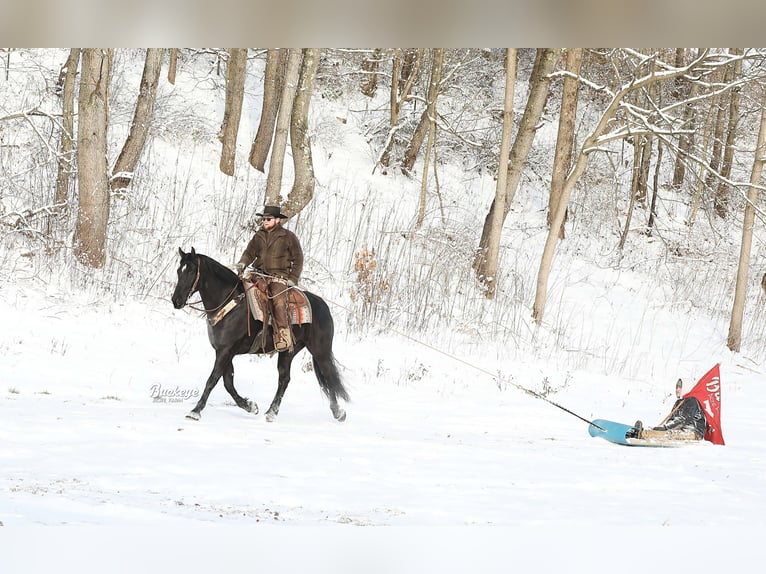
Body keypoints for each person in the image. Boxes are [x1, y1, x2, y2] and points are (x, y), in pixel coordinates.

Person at [235, 205, 303, 352]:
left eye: (268, 219)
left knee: (278, 301)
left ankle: (284, 335)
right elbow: (249, 253)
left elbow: (298, 259)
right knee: (241, 291)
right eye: (264, 219)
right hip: (258, 274)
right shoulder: (258, 236)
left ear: (277, 220)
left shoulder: (288, 237)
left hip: (278, 277)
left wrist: (293, 278)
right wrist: (242, 263)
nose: (265, 221)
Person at [627, 379, 707, 441]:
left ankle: (642, 434)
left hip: (693, 433)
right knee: (660, 430)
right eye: (677, 387)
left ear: (686, 387)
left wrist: (665, 428)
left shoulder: (692, 401)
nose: (677, 389)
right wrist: (662, 428)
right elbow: (672, 419)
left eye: (680, 387)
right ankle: (641, 431)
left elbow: (682, 419)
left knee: (669, 434)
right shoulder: (679, 402)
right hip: (680, 429)